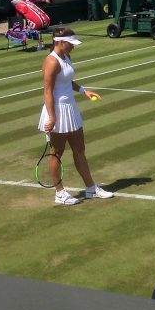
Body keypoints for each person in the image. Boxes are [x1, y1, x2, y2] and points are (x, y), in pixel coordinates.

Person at [38, 27, 113, 205]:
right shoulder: (51, 62)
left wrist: (83, 90)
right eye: (71, 44)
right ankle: (59, 193)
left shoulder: (66, 57)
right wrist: (52, 117)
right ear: (60, 42)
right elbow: (47, 92)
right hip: (56, 110)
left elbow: (66, 80)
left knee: (79, 149)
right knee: (57, 152)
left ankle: (90, 188)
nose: (73, 47)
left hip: (70, 108)